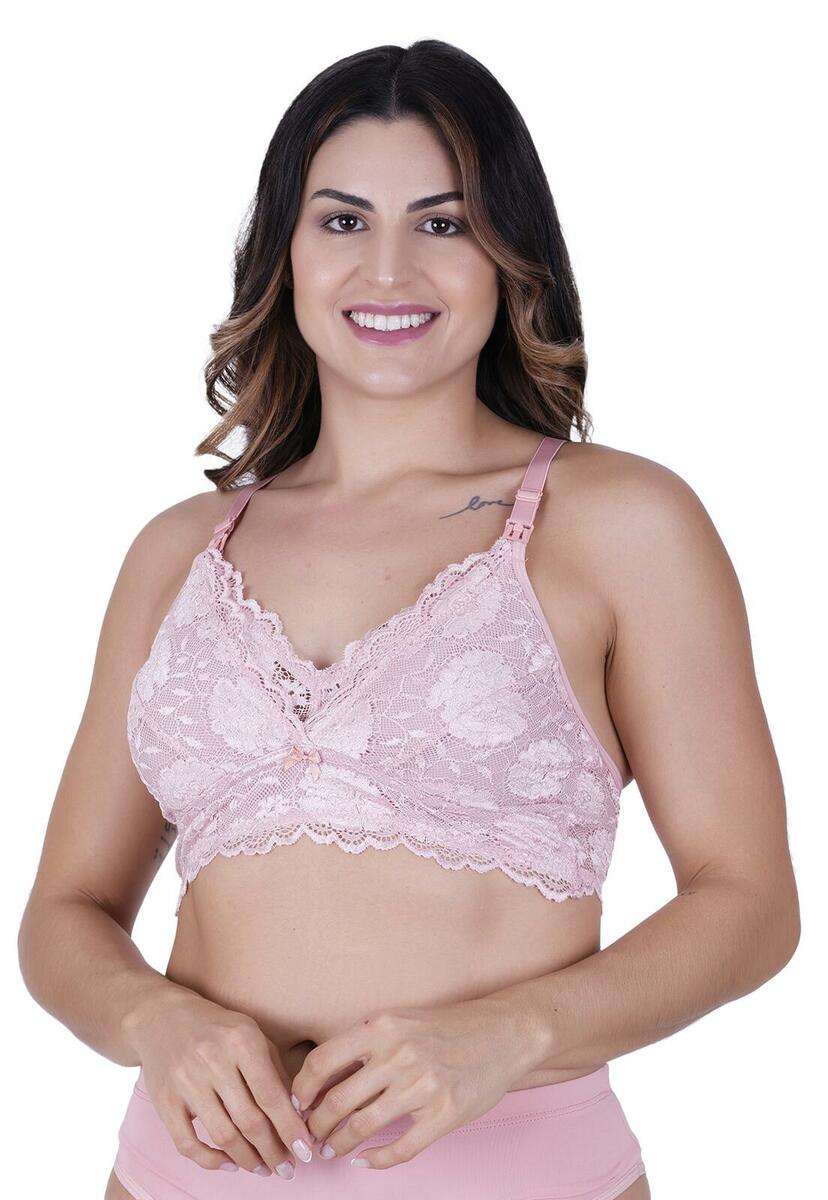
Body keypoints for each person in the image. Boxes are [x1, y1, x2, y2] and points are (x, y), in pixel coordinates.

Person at [18, 39, 800, 1200]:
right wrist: (151, 1019)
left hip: (520, 1176)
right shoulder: (180, 552)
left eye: (444, 224)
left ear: (510, 255)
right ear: (284, 253)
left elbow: (750, 904)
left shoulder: (620, 524)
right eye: (343, 220)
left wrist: (520, 1032)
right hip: (175, 1178)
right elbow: (63, 914)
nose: (388, 269)